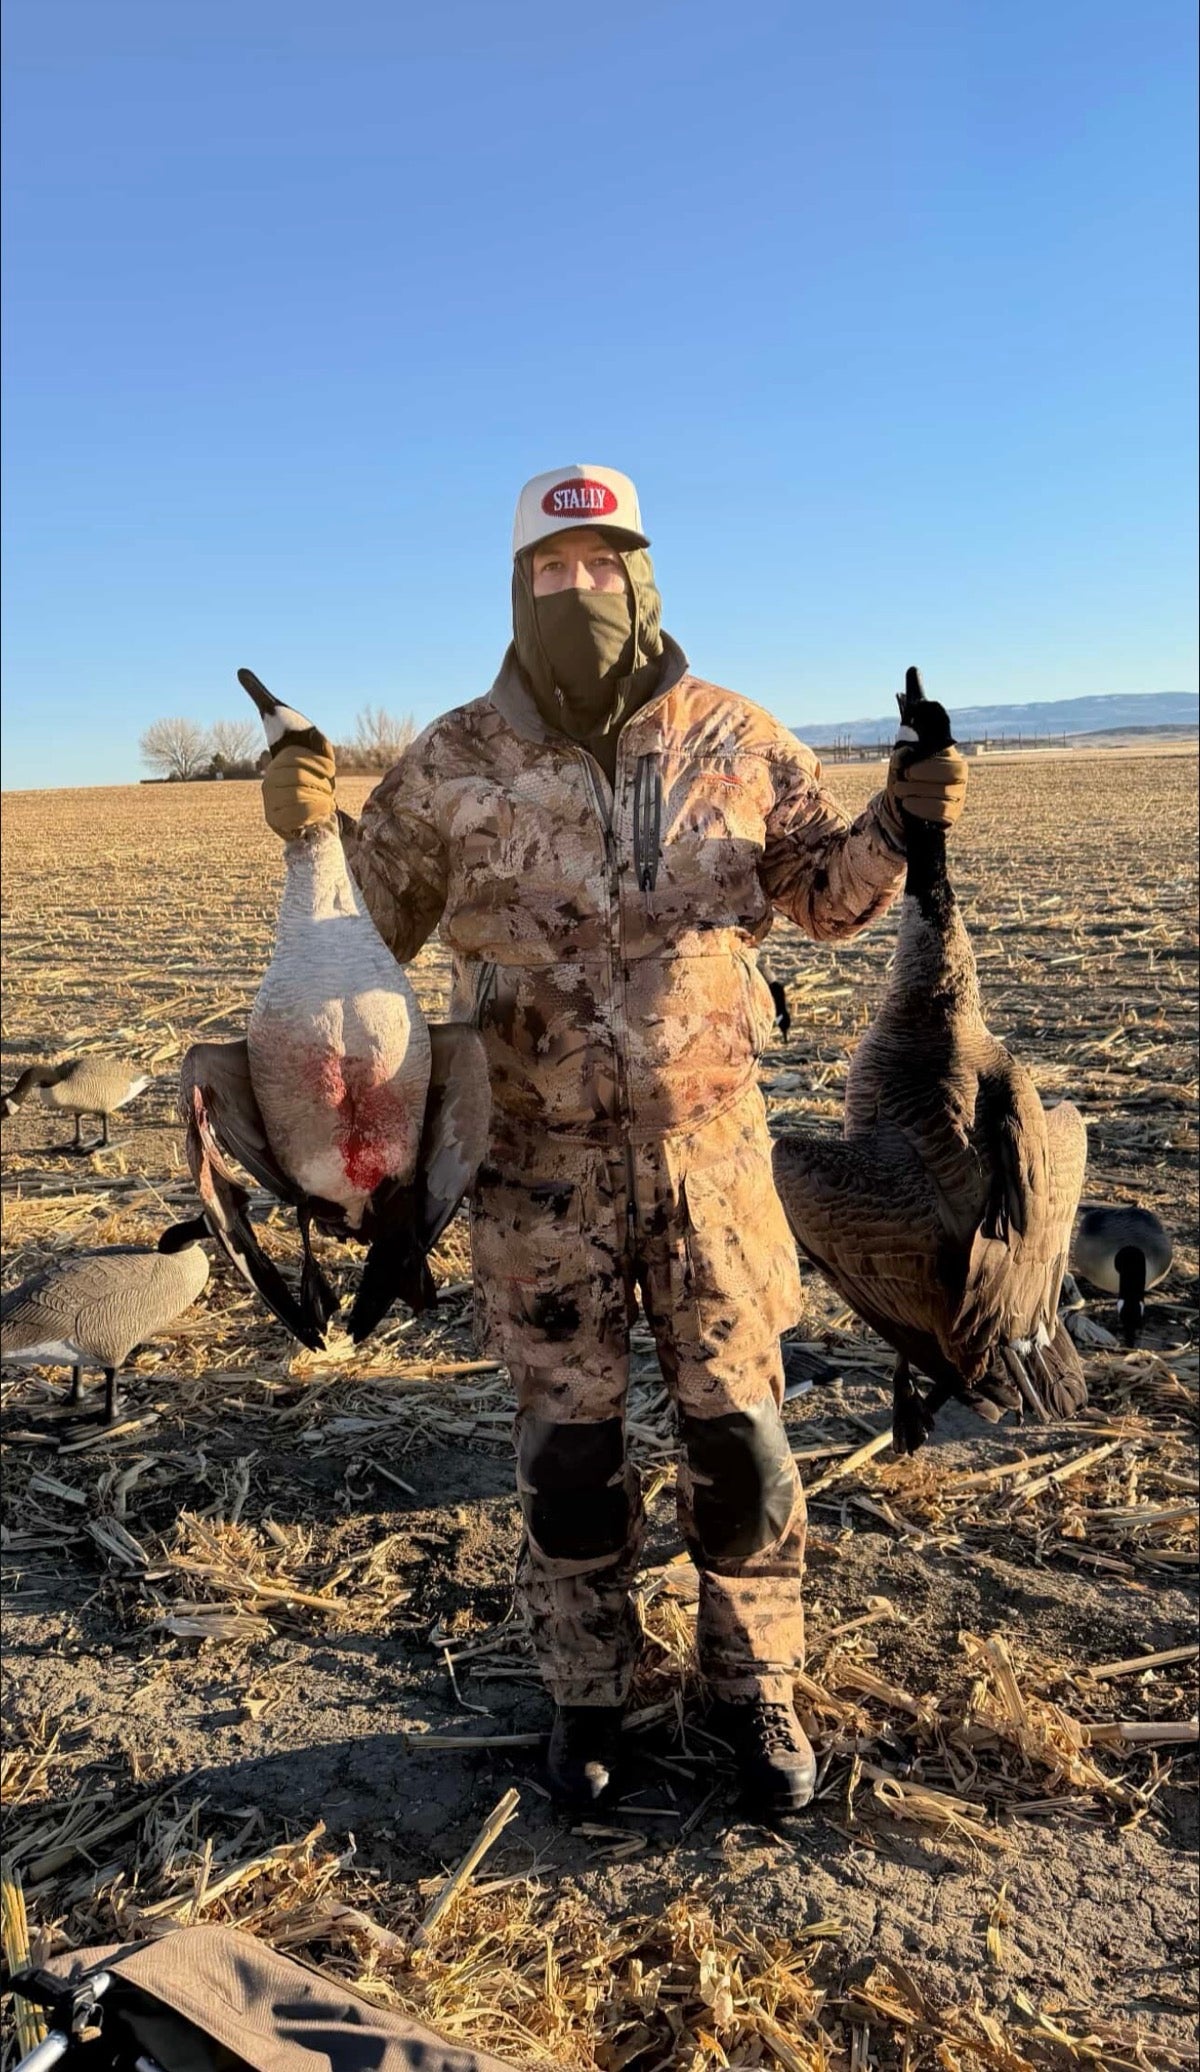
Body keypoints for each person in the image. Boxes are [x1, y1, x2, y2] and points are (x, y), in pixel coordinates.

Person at [261, 464, 967, 1822]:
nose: (578, 589)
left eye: (603, 565)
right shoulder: (455, 761)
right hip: (533, 1170)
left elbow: (822, 898)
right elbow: (374, 929)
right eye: (550, 572)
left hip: (714, 1163)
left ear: (641, 575)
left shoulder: (737, 738)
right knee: (571, 1465)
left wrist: (897, 822)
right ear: (516, 589)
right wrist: (308, 834)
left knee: (743, 1450)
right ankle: (592, 1697)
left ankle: (752, 1689)